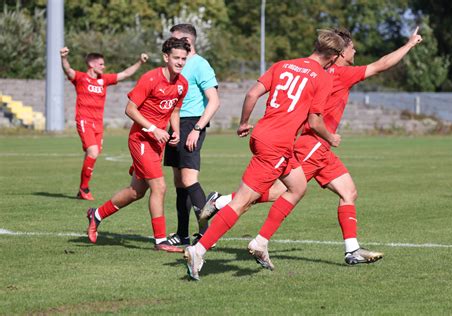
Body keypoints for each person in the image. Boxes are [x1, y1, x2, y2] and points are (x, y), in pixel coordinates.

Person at [201, 27, 423, 266]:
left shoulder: (322, 71)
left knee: (349, 192)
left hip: (321, 148)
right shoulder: (337, 74)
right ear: (339, 53)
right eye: (352, 47)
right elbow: (381, 64)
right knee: (278, 191)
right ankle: (223, 203)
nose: (355, 50)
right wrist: (409, 45)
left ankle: (352, 250)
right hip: (313, 145)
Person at [184, 30, 345, 280]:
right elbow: (314, 121)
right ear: (334, 56)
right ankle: (199, 249)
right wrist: (331, 137)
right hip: (277, 145)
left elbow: (251, 94)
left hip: (265, 136)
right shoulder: (323, 78)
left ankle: (260, 242)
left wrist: (243, 122)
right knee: (242, 202)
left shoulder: (283, 65)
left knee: (298, 186)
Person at [85, 37, 191, 252]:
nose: (180, 62)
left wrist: (176, 132)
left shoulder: (182, 84)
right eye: (176, 58)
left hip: (157, 143)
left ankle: (96, 215)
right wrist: (153, 129)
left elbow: (175, 111)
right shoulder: (150, 79)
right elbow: (130, 110)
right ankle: (161, 241)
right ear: (166, 57)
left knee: (136, 191)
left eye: (183, 58)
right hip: (141, 139)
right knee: (159, 187)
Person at [60, 46, 148, 200]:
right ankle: (84, 189)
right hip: (84, 121)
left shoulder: (104, 80)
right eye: (101, 64)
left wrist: (140, 62)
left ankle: (81, 189)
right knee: (93, 152)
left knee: (92, 154)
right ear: (92, 64)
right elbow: (68, 70)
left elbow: (125, 74)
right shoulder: (81, 78)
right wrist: (63, 58)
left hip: (98, 124)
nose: (103, 66)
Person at [163, 24, 220, 247]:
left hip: (191, 124)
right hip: (174, 124)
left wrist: (197, 129)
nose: (172, 44)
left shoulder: (200, 64)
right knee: (179, 183)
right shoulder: (178, 63)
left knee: (189, 179)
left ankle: (208, 234)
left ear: (188, 40)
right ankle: (182, 234)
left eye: (175, 39)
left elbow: (214, 101)